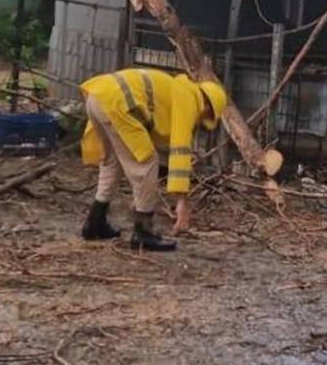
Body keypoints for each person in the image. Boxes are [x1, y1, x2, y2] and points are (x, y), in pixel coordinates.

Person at [78, 67, 227, 252]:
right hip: (117, 103)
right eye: (206, 118)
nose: (201, 121)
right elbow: (180, 150)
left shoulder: (177, 89)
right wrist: (181, 201)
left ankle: (94, 223)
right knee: (147, 163)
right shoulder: (190, 100)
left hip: (98, 97)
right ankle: (143, 232)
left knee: (113, 163)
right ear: (208, 107)